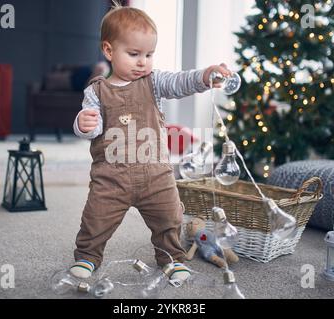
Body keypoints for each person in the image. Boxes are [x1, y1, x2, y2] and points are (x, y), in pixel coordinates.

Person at [71, 4, 232, 281]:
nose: (143, 61)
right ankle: (88, 256)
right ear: (109, 51)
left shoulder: (154, 82)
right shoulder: (96, 90)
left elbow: (181, 82)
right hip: (111, 178)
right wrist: (82, 123)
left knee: (169, 219)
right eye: (134, 54)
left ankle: (171, 258)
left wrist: (205, 75)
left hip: (156, 175)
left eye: (149, 54)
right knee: (95, 219)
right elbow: (92, 126)